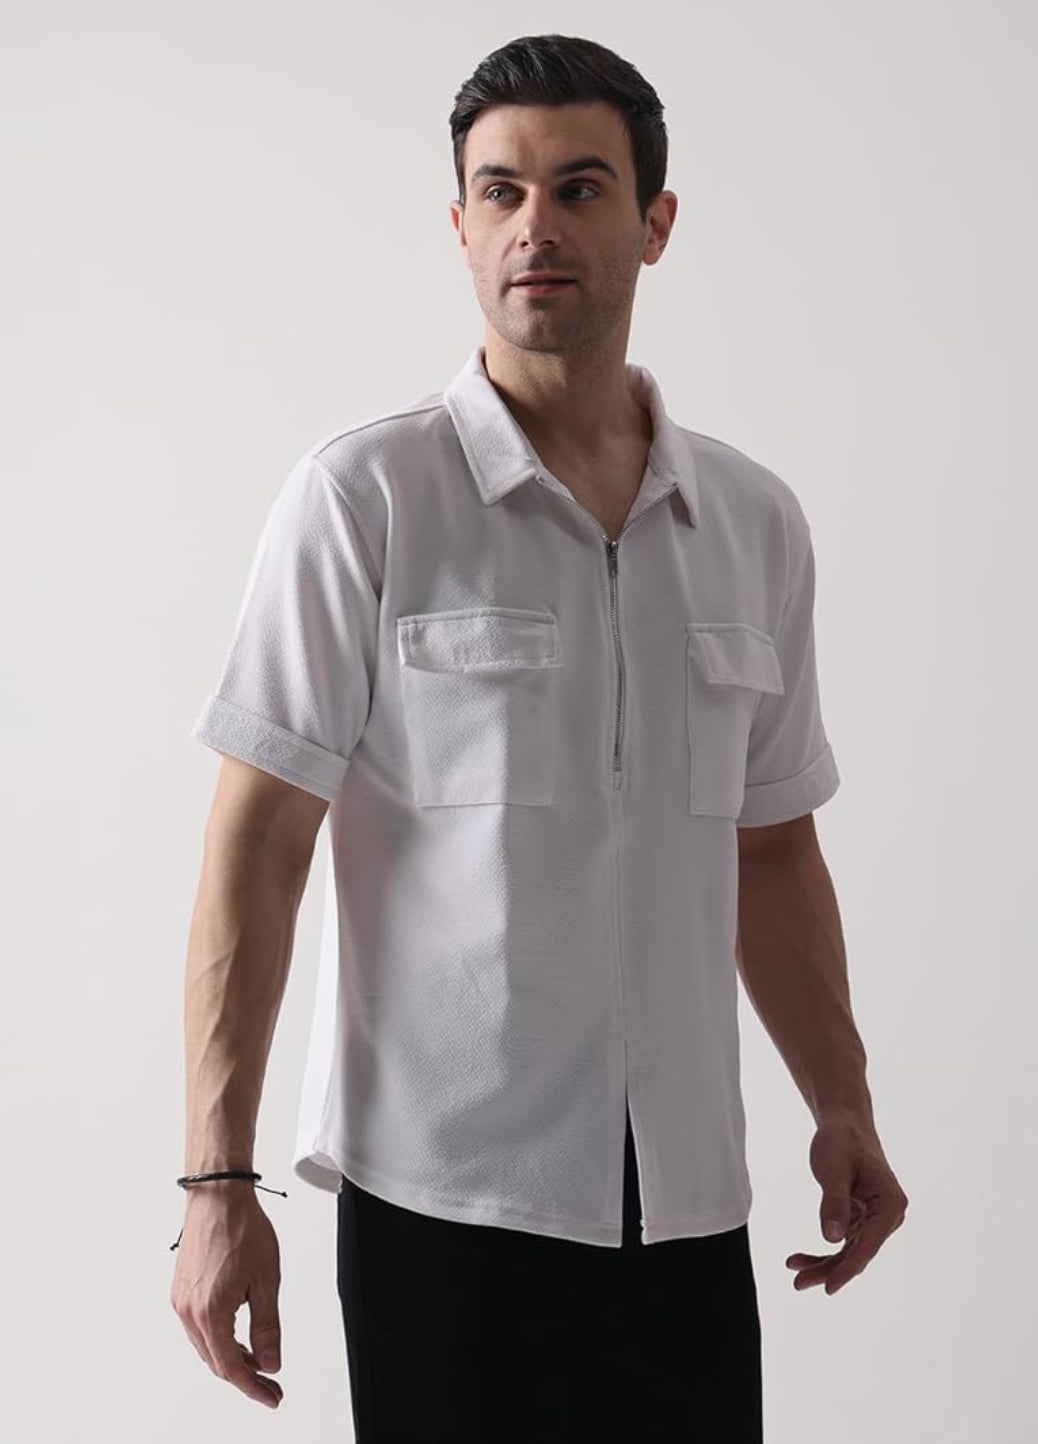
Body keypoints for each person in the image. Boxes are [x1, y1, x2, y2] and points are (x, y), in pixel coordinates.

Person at [170, 32, 909, 1441]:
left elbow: (771, 850)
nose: (537, 227)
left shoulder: (753, 524)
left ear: (655, 222)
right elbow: (255, 846)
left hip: (687, 1206)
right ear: (458, 227)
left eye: (580, 187)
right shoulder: (364, 499)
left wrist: (842, 1100)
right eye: (500, 192)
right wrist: (217, 1184)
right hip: (441, 1208)